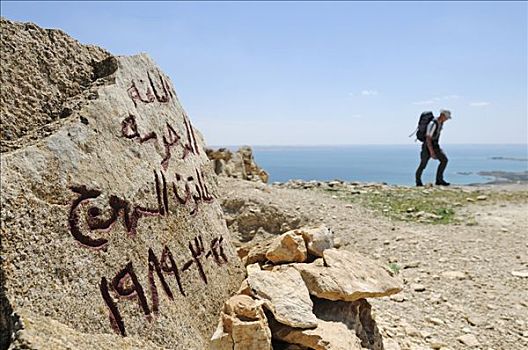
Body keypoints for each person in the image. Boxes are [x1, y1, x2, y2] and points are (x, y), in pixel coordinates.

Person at [415, 110, 452, 186]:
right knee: (423, 165)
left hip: (435, 146)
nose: (447, 119)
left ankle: (439, 180)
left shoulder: (440, 123)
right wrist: (431, 152)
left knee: (444, 160)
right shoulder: (433, 124)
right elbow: (428, 138)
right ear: (442, 115)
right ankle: (418, 182)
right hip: (427, 146)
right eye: (446, 117)